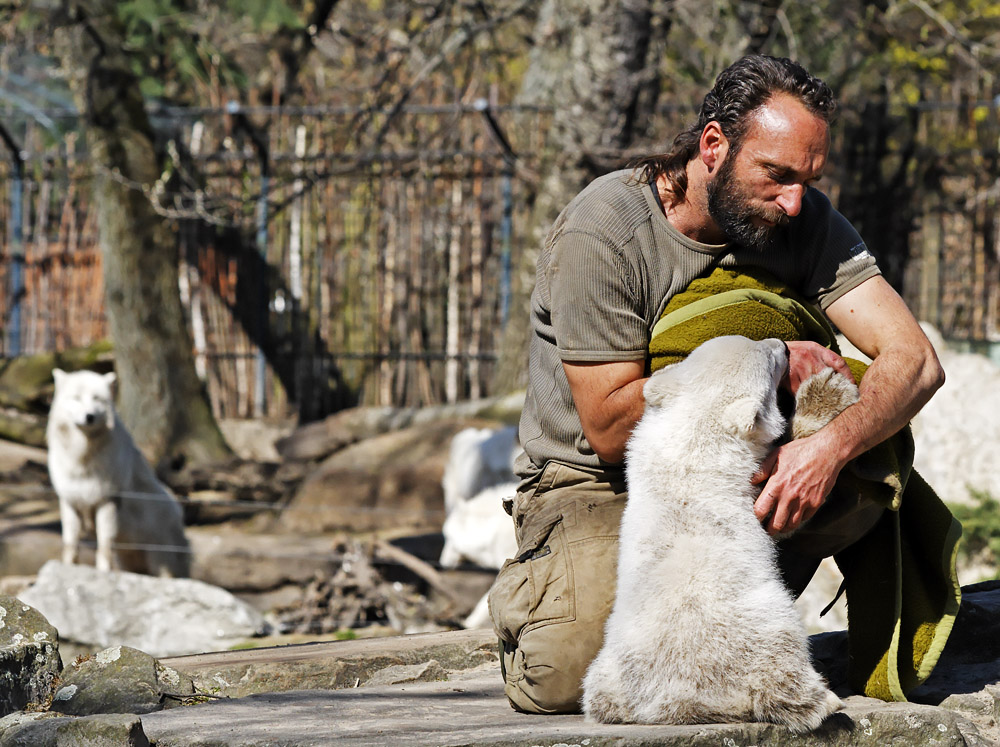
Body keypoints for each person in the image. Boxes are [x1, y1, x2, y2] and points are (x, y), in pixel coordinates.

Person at [487, 54, 945, 715]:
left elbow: (915, 360)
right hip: (593, 478)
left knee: (861, 463)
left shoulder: (804, 219)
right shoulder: (607, 228)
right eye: (777, 175)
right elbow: (613, 428)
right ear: (713, 145)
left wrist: (825, 451)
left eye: (809, 180)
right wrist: (771, 352)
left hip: (734, 465)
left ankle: (735, 602)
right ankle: (534, 592)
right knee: (572, 677)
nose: (795, 201)